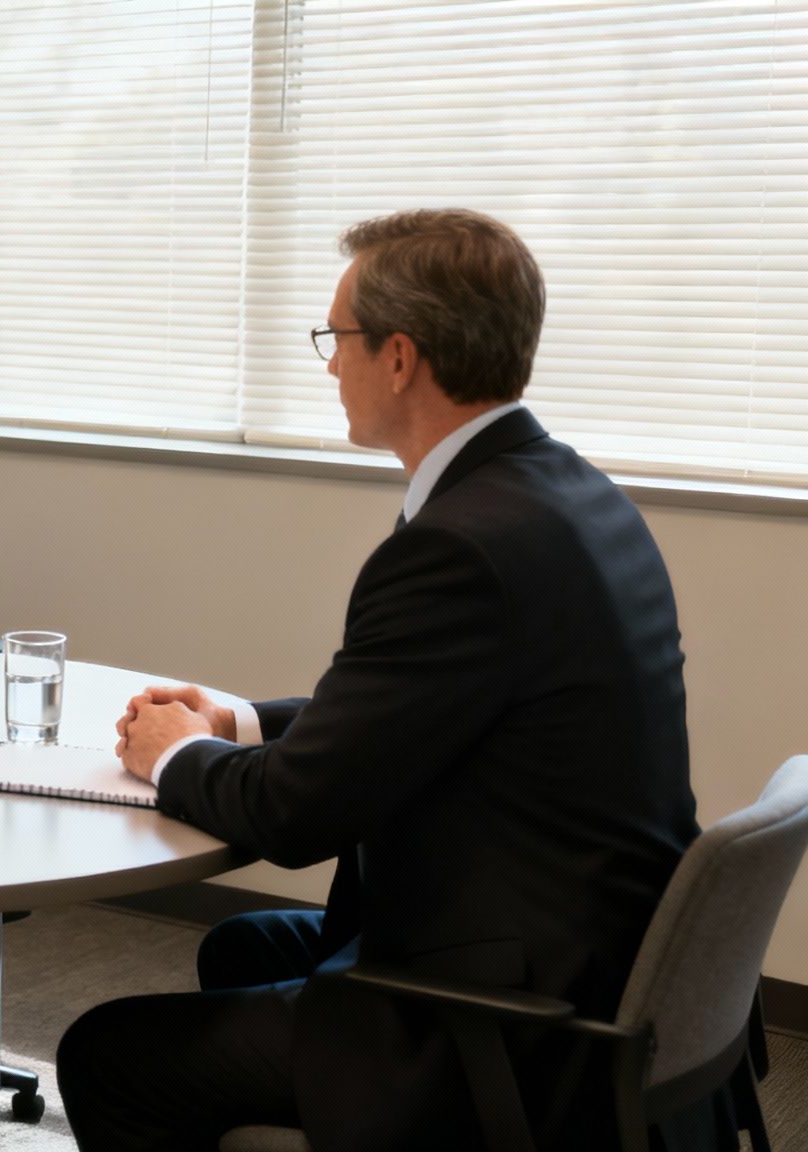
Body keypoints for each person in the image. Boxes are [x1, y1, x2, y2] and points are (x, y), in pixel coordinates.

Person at [56, 210, 702, 1150]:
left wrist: (173, 755)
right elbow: (413, 709)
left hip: (511, 1022)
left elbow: (294, 818)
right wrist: (235, 720)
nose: (328, 364)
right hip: (588, 958)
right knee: (240, 946)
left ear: (399, 357)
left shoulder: (460, 544)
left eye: (338, 338)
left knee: (107, 1055)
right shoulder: (566, 493)